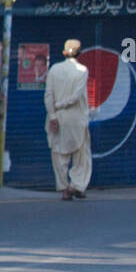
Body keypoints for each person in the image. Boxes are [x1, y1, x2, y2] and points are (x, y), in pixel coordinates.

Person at [45, 38, 91, 200]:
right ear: (80, 53)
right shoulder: (82, 70)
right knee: (81, 155)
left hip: (57, 116)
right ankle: (77, 185)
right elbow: (77, 96)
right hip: (76, 117)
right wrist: (62, 104)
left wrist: (53, 114)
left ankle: (64, 189)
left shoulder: (54, 69)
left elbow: (48, 94)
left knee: (59, 154)